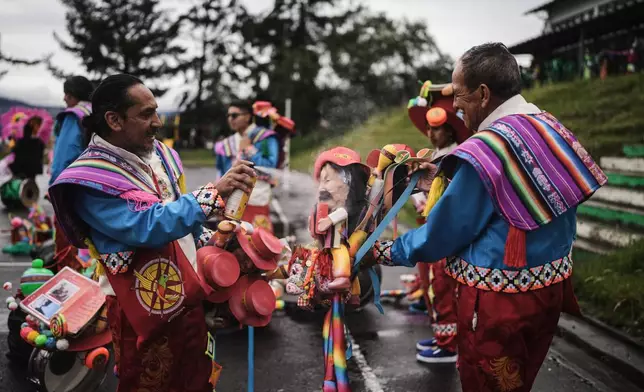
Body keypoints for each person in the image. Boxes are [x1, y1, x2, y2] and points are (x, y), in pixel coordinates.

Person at [368, 43, 607, 391]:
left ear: (482, 94)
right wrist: (445, 179)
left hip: (499, 307)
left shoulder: (487, 150)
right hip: (549, 292)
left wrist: (385, 251)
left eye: (459, 94)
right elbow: (520, 192)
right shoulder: (547, 126)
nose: (454, 106)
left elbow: (442, 233)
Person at [48, 74, 257, 392]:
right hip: (141, 306)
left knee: (195, 377)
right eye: (146, 114)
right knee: (149, 382)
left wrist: (222, 240)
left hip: (187, 294)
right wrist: (213, 192)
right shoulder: (88, 178)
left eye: (156, 111)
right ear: (114, 120)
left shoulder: (162, 156)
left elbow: (186, 226)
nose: (158, 122)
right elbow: (147, 225)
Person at [407, 82, 472, 363]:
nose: (430, 133)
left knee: (443, 287)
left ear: (451, 130)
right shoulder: (436, 156)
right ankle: (440, 336)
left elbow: (450, 201)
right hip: (429, 232)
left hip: (444, 236)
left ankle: (448, 345)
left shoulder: (456, 157)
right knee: (431, 285)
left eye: (436, 128)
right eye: (429, 128)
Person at [214, 100, 279, 231]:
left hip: (256, 198)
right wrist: (217, 198)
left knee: (257, 243)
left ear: (248, 116)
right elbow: (221, 173)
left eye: (234, 115)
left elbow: (271, 165)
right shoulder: (226, 144)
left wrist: (248, 149)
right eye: (228, 116)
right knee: (231, 243)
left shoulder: (265, 137)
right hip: (230, 201)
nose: (230, 119)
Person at [49, 75, 94, 184]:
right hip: (93, 177)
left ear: (74, 94)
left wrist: (55, 182)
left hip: (71, 180)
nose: (64, 98)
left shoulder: (73, 116)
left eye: (67, 94)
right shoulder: (96, 112)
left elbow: (65, 153)